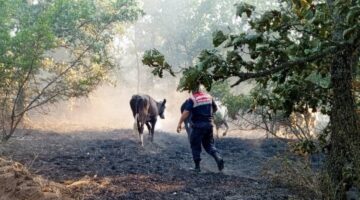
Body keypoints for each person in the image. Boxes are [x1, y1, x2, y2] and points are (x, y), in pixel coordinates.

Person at [177, 86, 224, 172]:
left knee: (195, 144)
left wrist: (179, 123)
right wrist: (209, 116)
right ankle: (218, 157)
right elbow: (215, 108)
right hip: (209, 125)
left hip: (198, 126)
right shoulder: (209, 97)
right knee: (209, 145)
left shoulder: (193, 99)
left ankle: (197, 167)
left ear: (193, 91)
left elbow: (186, 112)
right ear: (201, 90)